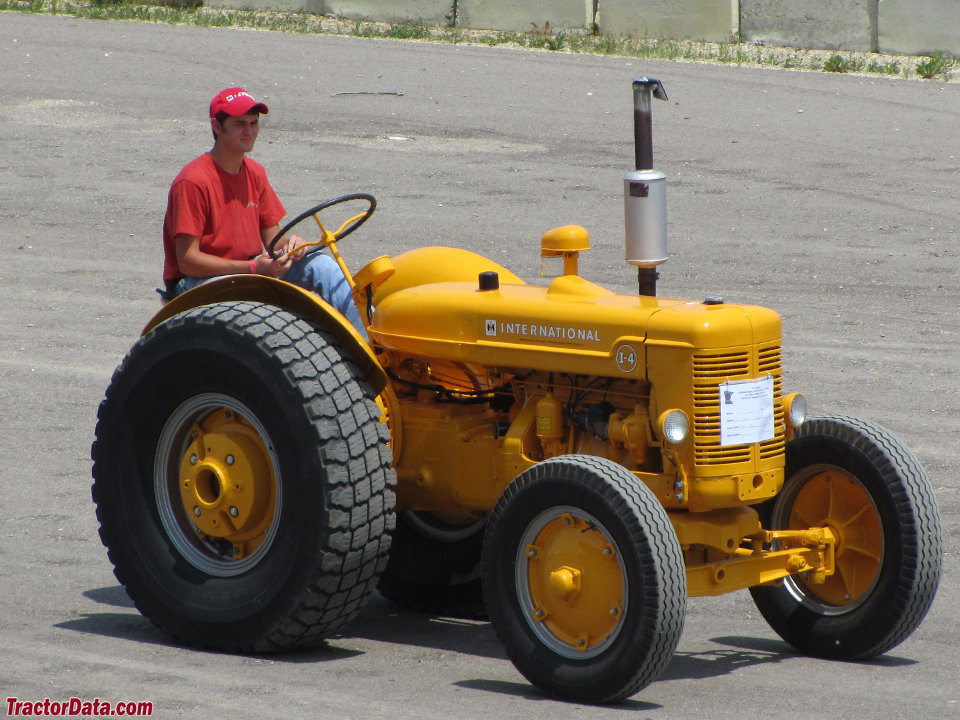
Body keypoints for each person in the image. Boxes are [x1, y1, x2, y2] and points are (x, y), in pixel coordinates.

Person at [161, 86, 367, 338]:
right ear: (217, 126)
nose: (249, 132)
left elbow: (273, 240)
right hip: (198, 282)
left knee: (321, 265)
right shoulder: (193, 181)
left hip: (250, 270)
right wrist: (252, 268)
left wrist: (292, 245)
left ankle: (373, 344)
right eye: (240, 124)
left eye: (253, 123)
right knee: (258, 304)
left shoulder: (255, 173)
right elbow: (188, 261)